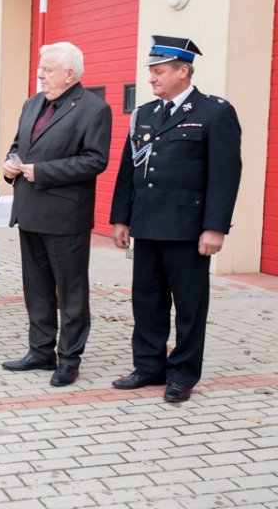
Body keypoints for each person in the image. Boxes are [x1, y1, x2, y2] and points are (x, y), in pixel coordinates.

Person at [110, 35, 242, 403]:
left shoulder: (214, 112)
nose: (151, 78)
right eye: (151, 71)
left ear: (184, 71)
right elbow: (128, 171)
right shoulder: (145, 114)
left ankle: (182, 373)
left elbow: (225, 175)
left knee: (189, 305)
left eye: (159, 71)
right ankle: (149, 365)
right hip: (148, 223)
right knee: (147, 300)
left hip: (187, 228)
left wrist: (215, 227)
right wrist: (121, 218)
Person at [0, 42, 112, 387]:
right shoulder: (32, 103)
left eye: (46, 69)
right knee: (36, 288)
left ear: (69, 73)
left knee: (71, 291)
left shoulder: (94, 109)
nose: (40, 74)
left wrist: (43, 171)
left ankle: (70, 358)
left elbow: (95, 160)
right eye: (39, 68)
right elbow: (20, 144)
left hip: (65, 216)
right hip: (30, 210)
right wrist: (11, 162)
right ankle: (40, 350)